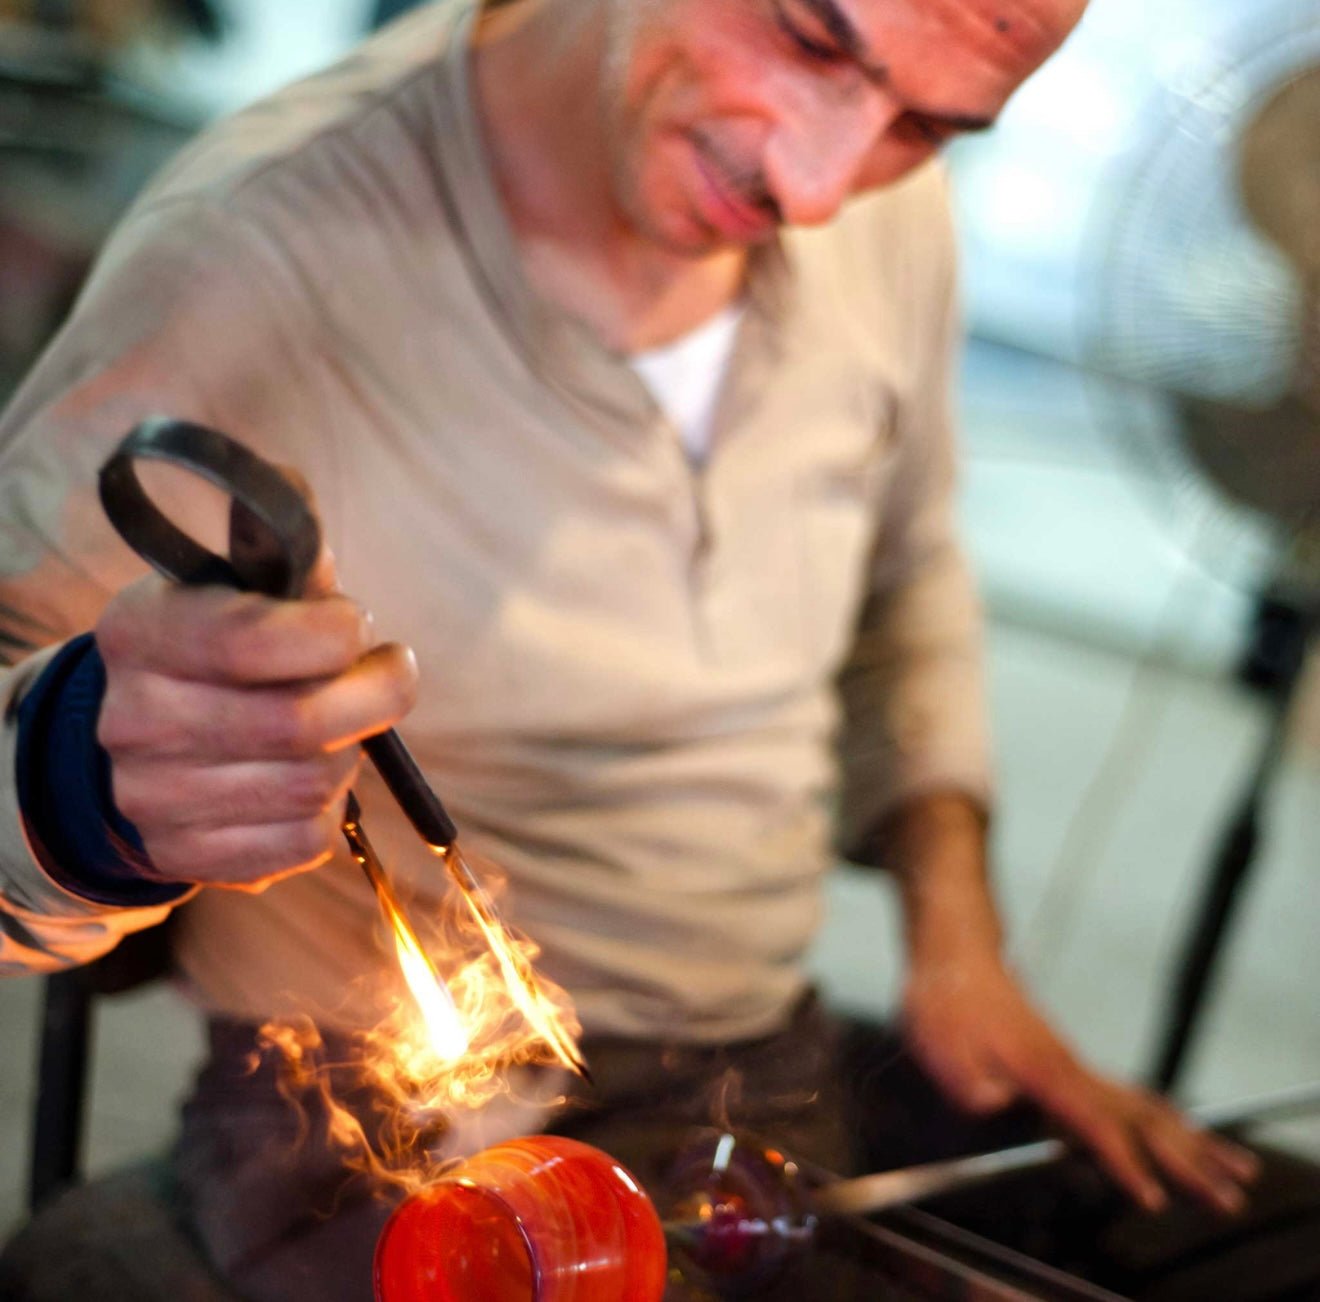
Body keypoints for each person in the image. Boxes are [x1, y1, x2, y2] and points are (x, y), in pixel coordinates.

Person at [0, 0, 1259, 1297]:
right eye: (812, 36)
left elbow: (907, 570)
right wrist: (88, 778)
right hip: (374, 1120)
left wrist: (958, 936)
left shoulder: (890, 207)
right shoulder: (258, 248)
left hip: (756, 1063)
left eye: (931, 125)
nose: (822, 191)